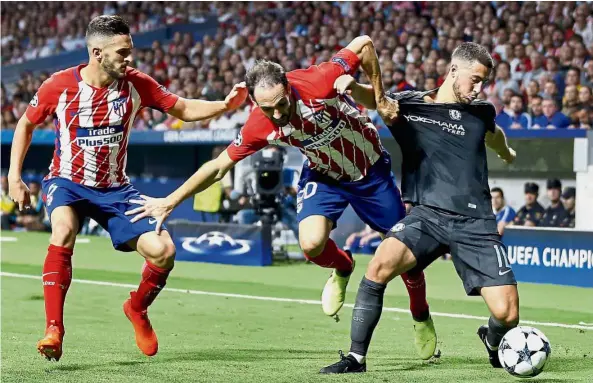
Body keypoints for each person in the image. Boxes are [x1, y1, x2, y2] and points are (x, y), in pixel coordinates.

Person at [126, 35, 439, 360]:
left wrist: (378, 93)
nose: (277, 113)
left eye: (282, 103)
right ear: (255, 104)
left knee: (405, 256)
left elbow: (364, 43)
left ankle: (420, 314)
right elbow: (218, 167)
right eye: (268, 108)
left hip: (370, 172)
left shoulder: (318, 80)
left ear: (288, 86)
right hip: (324, 175)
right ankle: (343, 266)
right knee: (310, 244)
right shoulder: (259, 124)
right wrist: (171, 200)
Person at [7, 15, 247, 362]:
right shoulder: (58, 86)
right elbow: (26, 124)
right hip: (67, 183)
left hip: (116, 190)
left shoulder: (136, 83)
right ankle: (54, 329)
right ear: (97, 52)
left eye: (130, 51)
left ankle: (137, 308)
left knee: (164, 251)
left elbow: (181, 107)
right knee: (62, 231)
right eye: (122, 52)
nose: (129, 58)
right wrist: (15, 176)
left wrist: (224, 106)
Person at [319, 42, 519, 374]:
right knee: (379, 266)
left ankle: (493, 341)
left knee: (507, 314)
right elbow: (379, 101)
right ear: (454, 70)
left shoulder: (481, 111)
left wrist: (506, 152)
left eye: (484, 82)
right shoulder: (412, 105)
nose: (480, 88)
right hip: (427, 215)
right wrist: (352, 87)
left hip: (476, 223)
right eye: (475, 79)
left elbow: (494, 135)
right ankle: (356, 358)